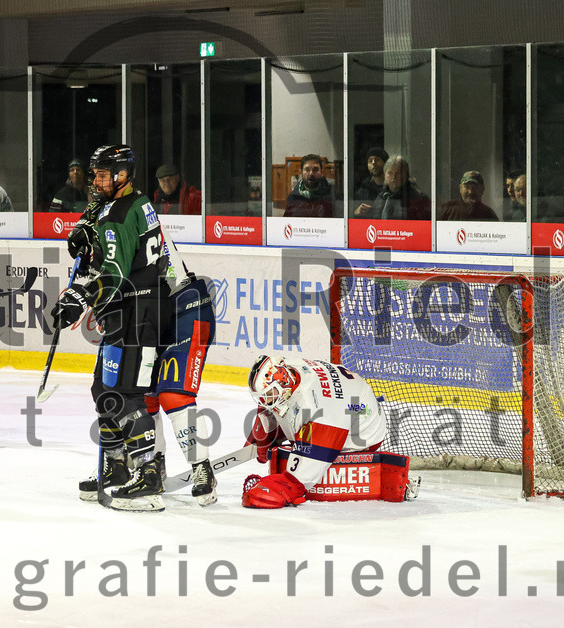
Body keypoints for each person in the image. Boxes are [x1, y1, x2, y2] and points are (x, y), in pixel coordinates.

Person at [69, 199, 218, 507]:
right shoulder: (108, 235)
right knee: (136, 394)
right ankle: (137, 465)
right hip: (149, 314)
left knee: (172, 394)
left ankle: (202, 469)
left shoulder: (124, 227)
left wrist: (85, 292)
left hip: (183, 309)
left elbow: (118, 279)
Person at [52, 144, 168, 513]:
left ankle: (148, 476)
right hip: (128, 310)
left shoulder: (117, 215)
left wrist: (78, 297)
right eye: (95, 174)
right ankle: (117, 466)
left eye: (104, 174)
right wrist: (88, 230)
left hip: (138, 311)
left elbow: (115, 273)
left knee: (127, 393)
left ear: (123, 175)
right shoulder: (134, 202)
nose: (96, 180)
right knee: (103, 387)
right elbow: (106, 234)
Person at [241, 356, 386, 509]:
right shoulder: (290, 367)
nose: (265, 401)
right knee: (290, 412)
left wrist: (286, 485)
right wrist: (266, 426)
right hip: (348, 400)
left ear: (282, 383)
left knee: (310, 444)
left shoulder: (320, 413)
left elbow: (299, 479)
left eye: (268, 395)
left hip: (366, 432)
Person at [354, 155, 429, 220]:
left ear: (406, 175)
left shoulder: (417, 198)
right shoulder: (380, 197)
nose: (393, 177)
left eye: (398, 173)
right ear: (385, 175)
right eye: (390, 173)